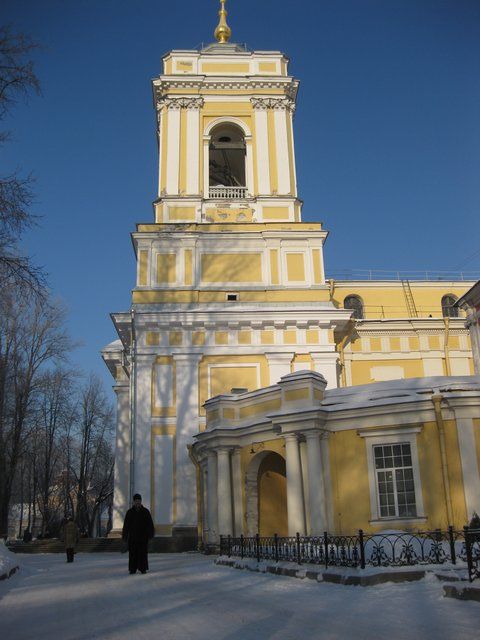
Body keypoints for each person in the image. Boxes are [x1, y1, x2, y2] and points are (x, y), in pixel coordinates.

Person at [122, 493, 154, 574]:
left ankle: (143, 568)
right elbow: (126, 526)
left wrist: (150, 534)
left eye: (139, 500)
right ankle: (132, 569)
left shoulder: (145, 512)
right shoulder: (130, 512)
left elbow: (150, 524)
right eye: (136, 501)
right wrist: (124, 536)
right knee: (132, 554)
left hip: (143, 537)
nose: (137, 502)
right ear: (133, 502)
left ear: (141, 501)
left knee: (143, 554)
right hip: (132, 538)